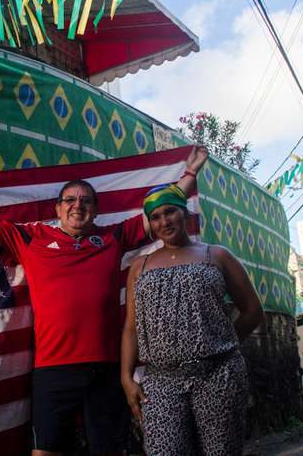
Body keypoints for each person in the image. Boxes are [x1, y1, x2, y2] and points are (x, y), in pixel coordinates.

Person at [0, 146, 209, 456]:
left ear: (95, 209)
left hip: (106, 370)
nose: (77, 205)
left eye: (86, 201)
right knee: (46, 452)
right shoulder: (31, 238)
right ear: (58, 208)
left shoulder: (112, 237)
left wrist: (191, 173)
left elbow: (161, 210)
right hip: (53, 370)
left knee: (109, 450)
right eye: (70, 200)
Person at [120, 182, 264, 455]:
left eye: (170, 211)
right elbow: (131, 328)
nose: (164, 221)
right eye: (155, 216)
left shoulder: (216, 255)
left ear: (185, 214)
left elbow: (253, 311)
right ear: (150, 224)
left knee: (221, 451)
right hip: (161, 381)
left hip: (217, 376)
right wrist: (126, 378)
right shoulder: (141, 266)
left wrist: (221, 345)